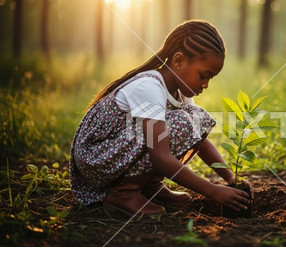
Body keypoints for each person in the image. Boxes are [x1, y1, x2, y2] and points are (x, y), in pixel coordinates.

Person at [69, 20, 252, 216]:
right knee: (179, 124)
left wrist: (231, 178)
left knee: (193, 119)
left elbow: (201, 141)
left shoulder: (182, 92)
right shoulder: (149, 87)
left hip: (116, 152)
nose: (206, 84)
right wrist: (213, 191)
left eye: (211, 78)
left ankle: (148, 186)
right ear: (179, 61)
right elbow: (160, 157)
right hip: (96, 157)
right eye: (203, 75)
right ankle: (124, 193)